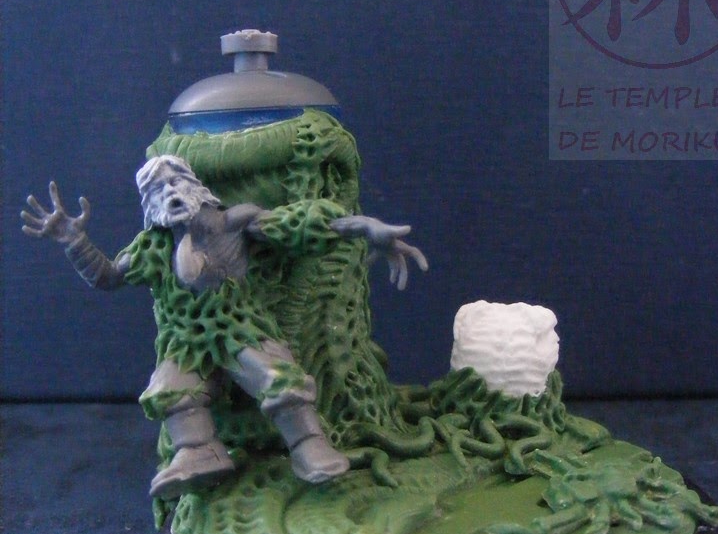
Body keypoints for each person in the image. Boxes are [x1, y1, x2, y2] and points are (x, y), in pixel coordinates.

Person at [22, 155, 427, 498]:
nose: (170, 192)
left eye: (175, 181)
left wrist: (364, 226)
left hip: (239, 326)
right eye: (157, 189)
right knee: (169, 389)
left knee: (278, 377)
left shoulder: (234, 222)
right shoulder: (153, 247)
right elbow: (108, 276)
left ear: (195, 185)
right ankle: (199, 452)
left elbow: (301, 223)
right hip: (187, 339)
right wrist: (75, 242)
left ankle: (309, 445)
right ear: (149, 204)